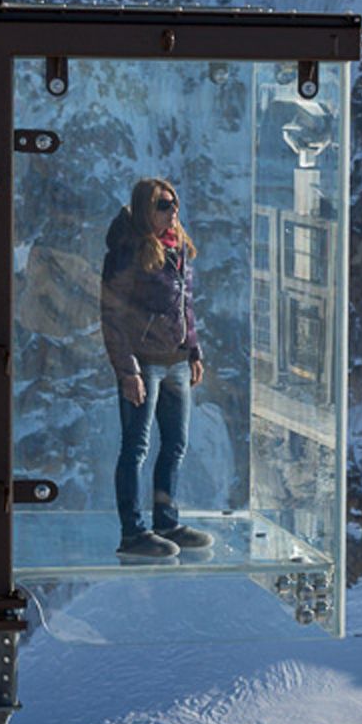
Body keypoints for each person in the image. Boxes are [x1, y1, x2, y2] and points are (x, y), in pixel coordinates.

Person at [101, 177, 213, 558]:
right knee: (136, 447)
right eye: (163, 205)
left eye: (174, 203)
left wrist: (193, 350)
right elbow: (112, 315)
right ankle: (133, 533)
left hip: (176, 362)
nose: (172, 211)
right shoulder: (127, 250)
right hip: (144, 364)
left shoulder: (176, 246)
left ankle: (167, 523)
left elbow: (186, 305)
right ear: (145, 209)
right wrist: (127, 370)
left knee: (175, 445)